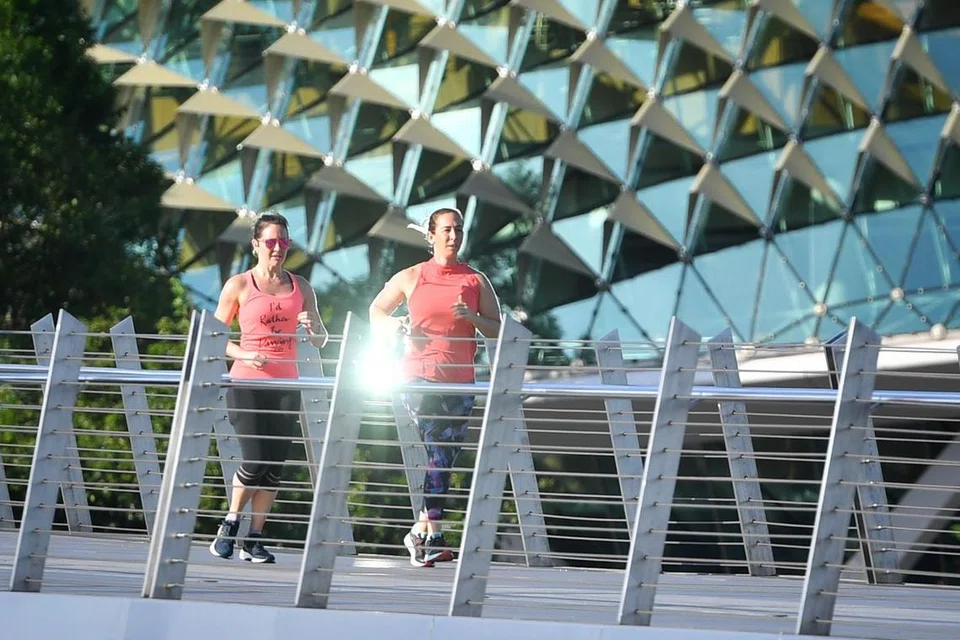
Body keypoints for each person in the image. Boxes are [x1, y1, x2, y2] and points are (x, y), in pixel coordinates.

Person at [369, 207, 502, 567]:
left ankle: (422, 532)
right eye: (446, 230)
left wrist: (473, 319)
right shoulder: (412, 277)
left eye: (458, 229)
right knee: (440, 451)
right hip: (418, 376)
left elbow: (498, 328)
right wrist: (393, 326)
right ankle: (433, 532)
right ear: (431, 235)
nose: (453, 236)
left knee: (443, 457)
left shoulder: (475, 280)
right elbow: (376, 311)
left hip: (461, 381)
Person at [209, 211, 327, 564]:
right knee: (256, 456)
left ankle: (254, 538)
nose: (278, 248)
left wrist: (313, 324)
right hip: (247, 381)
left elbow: (321, 339)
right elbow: (215, 337)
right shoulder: (240, 285)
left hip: (286, 384)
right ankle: (230, 524)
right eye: (272, 242)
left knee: (274, 465)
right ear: (256, 245)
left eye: (284, 242)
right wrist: (245, 352)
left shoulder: (300, 286)